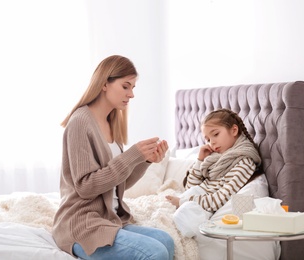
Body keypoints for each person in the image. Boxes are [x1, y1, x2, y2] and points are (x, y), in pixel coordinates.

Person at [52, 55, 174, 260]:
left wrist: (144, 160)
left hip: (110, 219)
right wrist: (132, 154)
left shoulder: (111, 122)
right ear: (104, 83)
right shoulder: (81, 122)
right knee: (156, 251)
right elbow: (86, 186)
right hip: (83, 224)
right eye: (126, 86)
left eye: (133, 87)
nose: (131, 94)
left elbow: (118, 183)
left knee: (166, 241)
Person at [166, 108, 262, 237]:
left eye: (215, 134)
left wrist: (182, 201)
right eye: (208, 139)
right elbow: (189, 187)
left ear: (234, 130)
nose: (212, 142)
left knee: (177, 221)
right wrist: (200, 160)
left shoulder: (245, 162)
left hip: (201, 207)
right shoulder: (216, 158)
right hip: (193, 199)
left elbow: (220, 199)